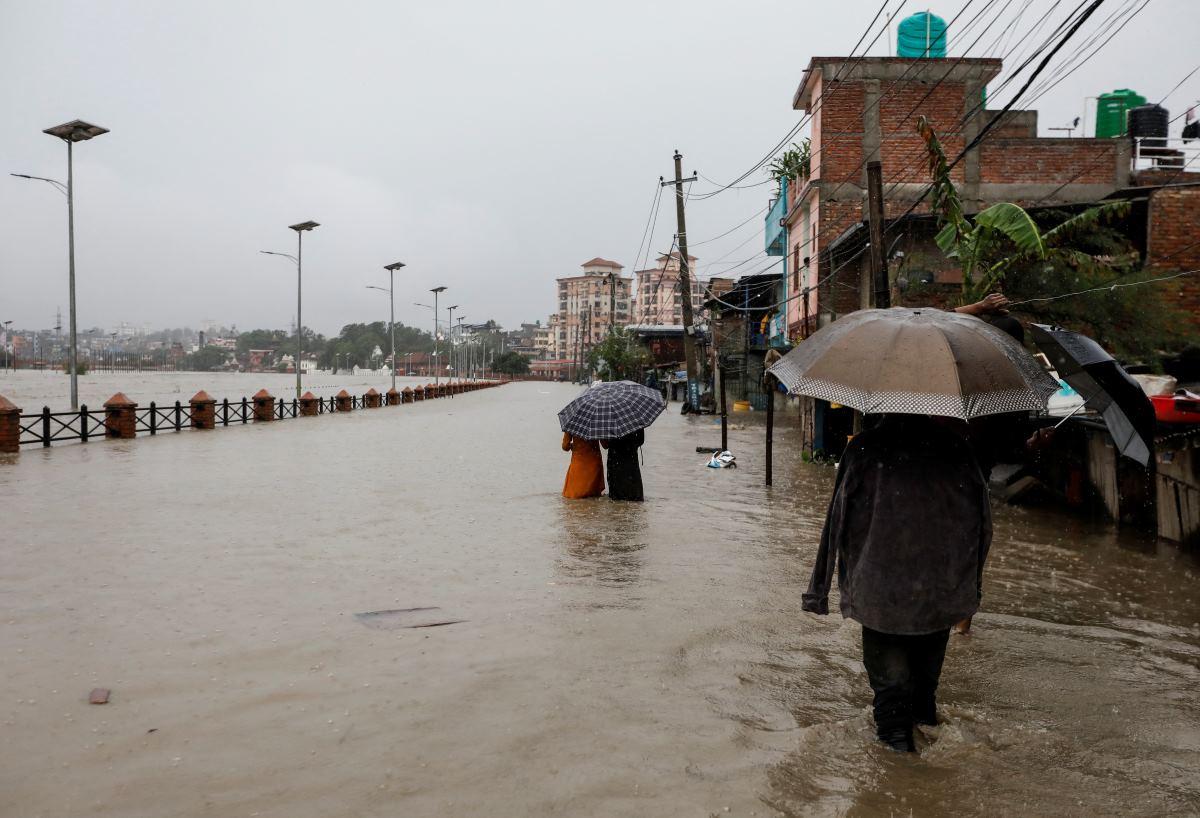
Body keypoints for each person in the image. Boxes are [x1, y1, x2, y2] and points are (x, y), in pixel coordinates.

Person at [803, 414, 991, 752]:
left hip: (880, 595)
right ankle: (930, 794)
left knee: (891, 711)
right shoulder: (956, 449)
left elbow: (836, 520)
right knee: (923, 706)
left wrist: (819, 592)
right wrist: (969, 592)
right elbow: (982, 525)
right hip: (938, 594)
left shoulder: (863, 448)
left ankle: (899, 787)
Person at [601, 428, 645, 501]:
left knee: (616, 496)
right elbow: (640, 440)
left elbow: (605, 445)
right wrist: (631, 445)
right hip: (631, 458)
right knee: (634, 495)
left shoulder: (608, 420)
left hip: (615, 459)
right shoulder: (635, 419)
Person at [561, 432, 605, 499]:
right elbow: (605, 445)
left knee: (574, 496)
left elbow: (565, 446)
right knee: (593, 497)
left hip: (578, 464)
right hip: (594, 463)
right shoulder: (597, 424)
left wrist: (572, 446)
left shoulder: (573, 424)